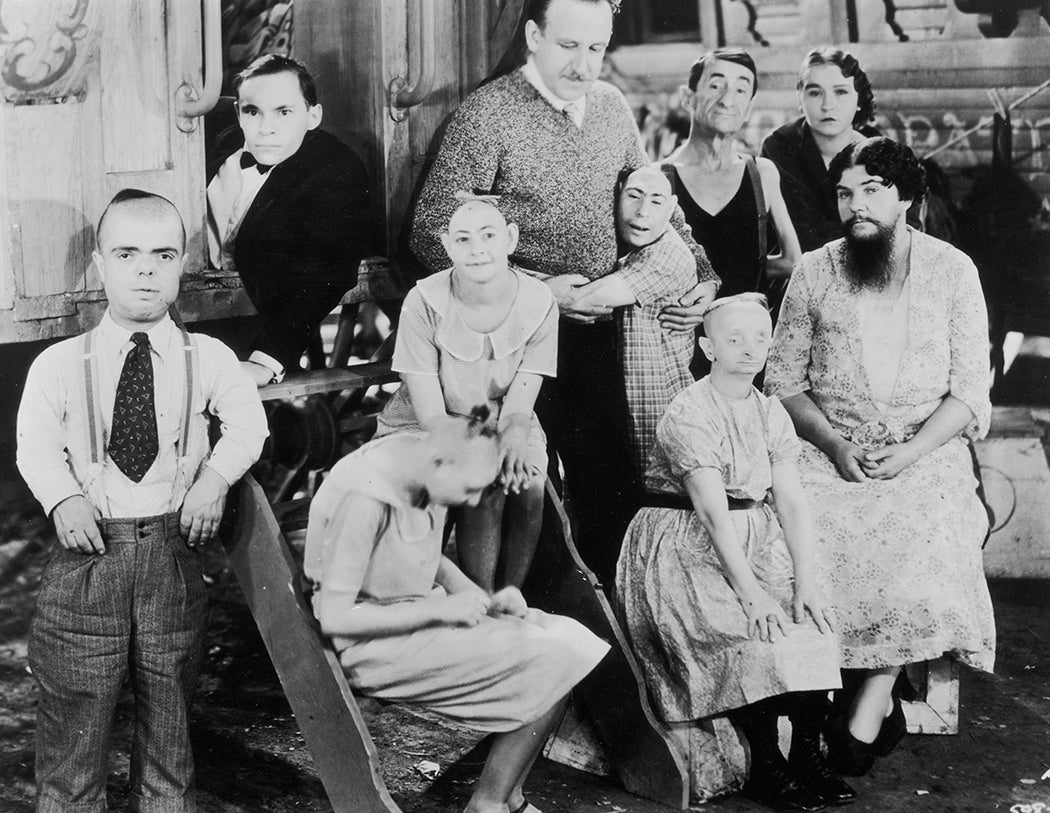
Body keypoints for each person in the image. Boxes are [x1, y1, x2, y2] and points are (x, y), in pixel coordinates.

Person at [410, 0, 720, 585]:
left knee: (610, 485)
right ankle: (523, 623)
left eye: (597, 48)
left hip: (604, 338)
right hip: (516, 339)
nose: (584, 64)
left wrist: (703, 276)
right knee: (522, 488)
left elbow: (653, 197)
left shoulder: (609, 107)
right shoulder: (489, 113)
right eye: (569, 46)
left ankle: (611, 635)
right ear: (533, 36)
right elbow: (431, 229)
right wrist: (535, 290)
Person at [16, 190, 269, 812]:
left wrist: (213, 481)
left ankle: (162, 800)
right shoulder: (57, 363)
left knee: (170, 704)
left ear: (182, 262)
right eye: (127, 254)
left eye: (162, 255)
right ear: (101, 264)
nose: (146, 270)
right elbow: (36, 447)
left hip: (171, 558)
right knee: (78, 701)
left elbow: (249, 425)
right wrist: (63, 500)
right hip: (88, 558)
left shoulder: (205, 357)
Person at [765, 137, 996, 777]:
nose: (856, 206)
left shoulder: (954, 272)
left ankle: (872, 701)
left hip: (926, 455)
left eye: (872, 191)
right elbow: (782, 382)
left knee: (921, 533)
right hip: (826, 448)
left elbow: (969, 392)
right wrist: (836, 445)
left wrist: (911, 452)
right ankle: (814, 699)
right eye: (845, 193)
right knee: (791, 540)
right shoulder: (815, 270)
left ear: (909, 199)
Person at [305, 410, 610, 813]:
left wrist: (485, 598)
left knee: (568, 642)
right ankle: (489, 804)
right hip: (368, 642)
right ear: (440, 464)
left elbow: (428, 556)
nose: (471, 502)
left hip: (415, 611)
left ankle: (503, 798)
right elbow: (337, 618)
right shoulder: (367, 496)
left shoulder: (424, 465)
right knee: (549, 660)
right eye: (469, 490)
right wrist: (444, 612)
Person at [615, 294, 847, 812]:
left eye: (759, 338)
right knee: (753, 634)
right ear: (707, 346)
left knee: (813, 620)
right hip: (682, 541)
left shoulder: (770, 412)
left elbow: (790, 499)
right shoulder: (689, 411)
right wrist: (752, 596)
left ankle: (808, 759)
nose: (749, 349)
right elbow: (714, 515)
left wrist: (805, 579)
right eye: (733, 338)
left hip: (756, 533)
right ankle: (766, 766)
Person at [375, 194, 557, 591]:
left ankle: (509, 596)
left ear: (510, 239)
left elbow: (522, 397)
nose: (476, 250)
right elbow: (428, 410)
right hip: (427, 422)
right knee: (480, 478)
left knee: (528, 481)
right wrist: (476, 449)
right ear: (446, 246)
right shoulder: (423, 301)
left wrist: (512, 434)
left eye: (488, 236)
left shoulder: (540, 301)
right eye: (462, 240)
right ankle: (477, 595)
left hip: (503, 414)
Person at [207, 53, 376, 386]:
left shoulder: (336, 171)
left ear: (313, 117)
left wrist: (267, 360)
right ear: (238, 113)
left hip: (258, 321)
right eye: (252, 111)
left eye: (284, 112)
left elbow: (325, 270)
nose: (266, 127)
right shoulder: (217, 136)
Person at [572, 166, 696, 476]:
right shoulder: (636, 248)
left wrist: (535, 280)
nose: (642, 212)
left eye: (656, 201)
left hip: (661, 410)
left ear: (672, 207)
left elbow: (585, 299)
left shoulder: (668, 255)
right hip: (633, 404)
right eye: (633, 196)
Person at [661, 49, 800, 324]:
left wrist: (742, 272)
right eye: (716, 86)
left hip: (744, 340)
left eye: (740, 90)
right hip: (678, 335)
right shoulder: (660, 178)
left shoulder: (762, 173)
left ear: (748, 108)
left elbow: (791, 261)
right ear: (688, 98)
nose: (727, 100)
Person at [760, 48, 879, 253]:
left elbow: (902, 226)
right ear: (800, 98)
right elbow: (803, 232)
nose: (827, 105)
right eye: (815, 93)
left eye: (840, 92)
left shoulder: (879, 149)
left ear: (859, 99)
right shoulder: (780, 147)